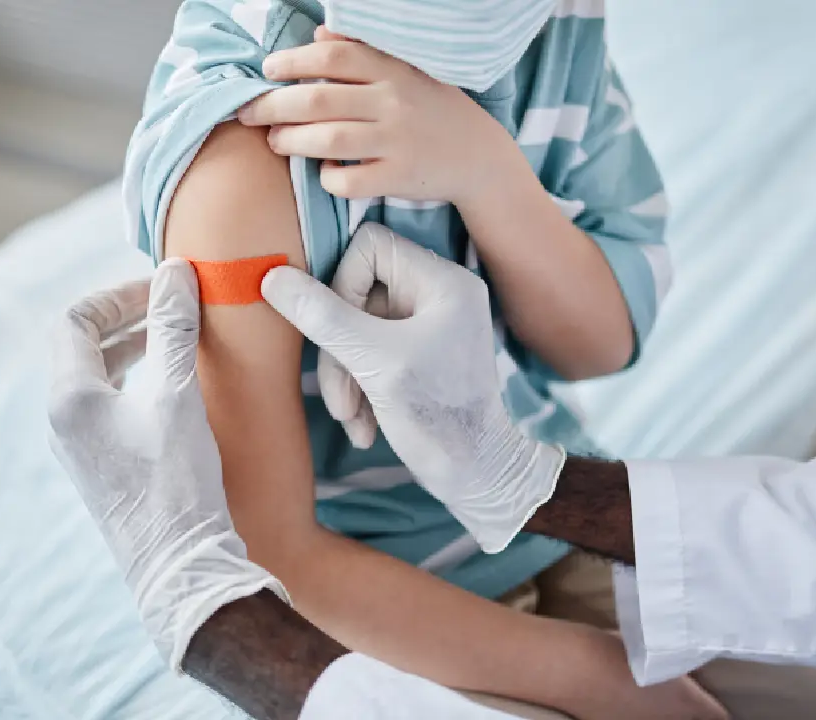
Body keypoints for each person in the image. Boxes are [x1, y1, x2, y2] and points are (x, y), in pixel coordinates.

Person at [49, 230, 816, 719]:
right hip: (420, 598)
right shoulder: (229, 145)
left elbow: (598, 337)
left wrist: (196, 603)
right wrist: (519, 478)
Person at [121, 0, 678, 714]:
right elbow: (267, 552)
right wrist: (593, 676)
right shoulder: (243, 146)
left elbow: (601, 343)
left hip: (547, 516)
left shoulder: (549, 32)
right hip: (356, 614)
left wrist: (490, 176)